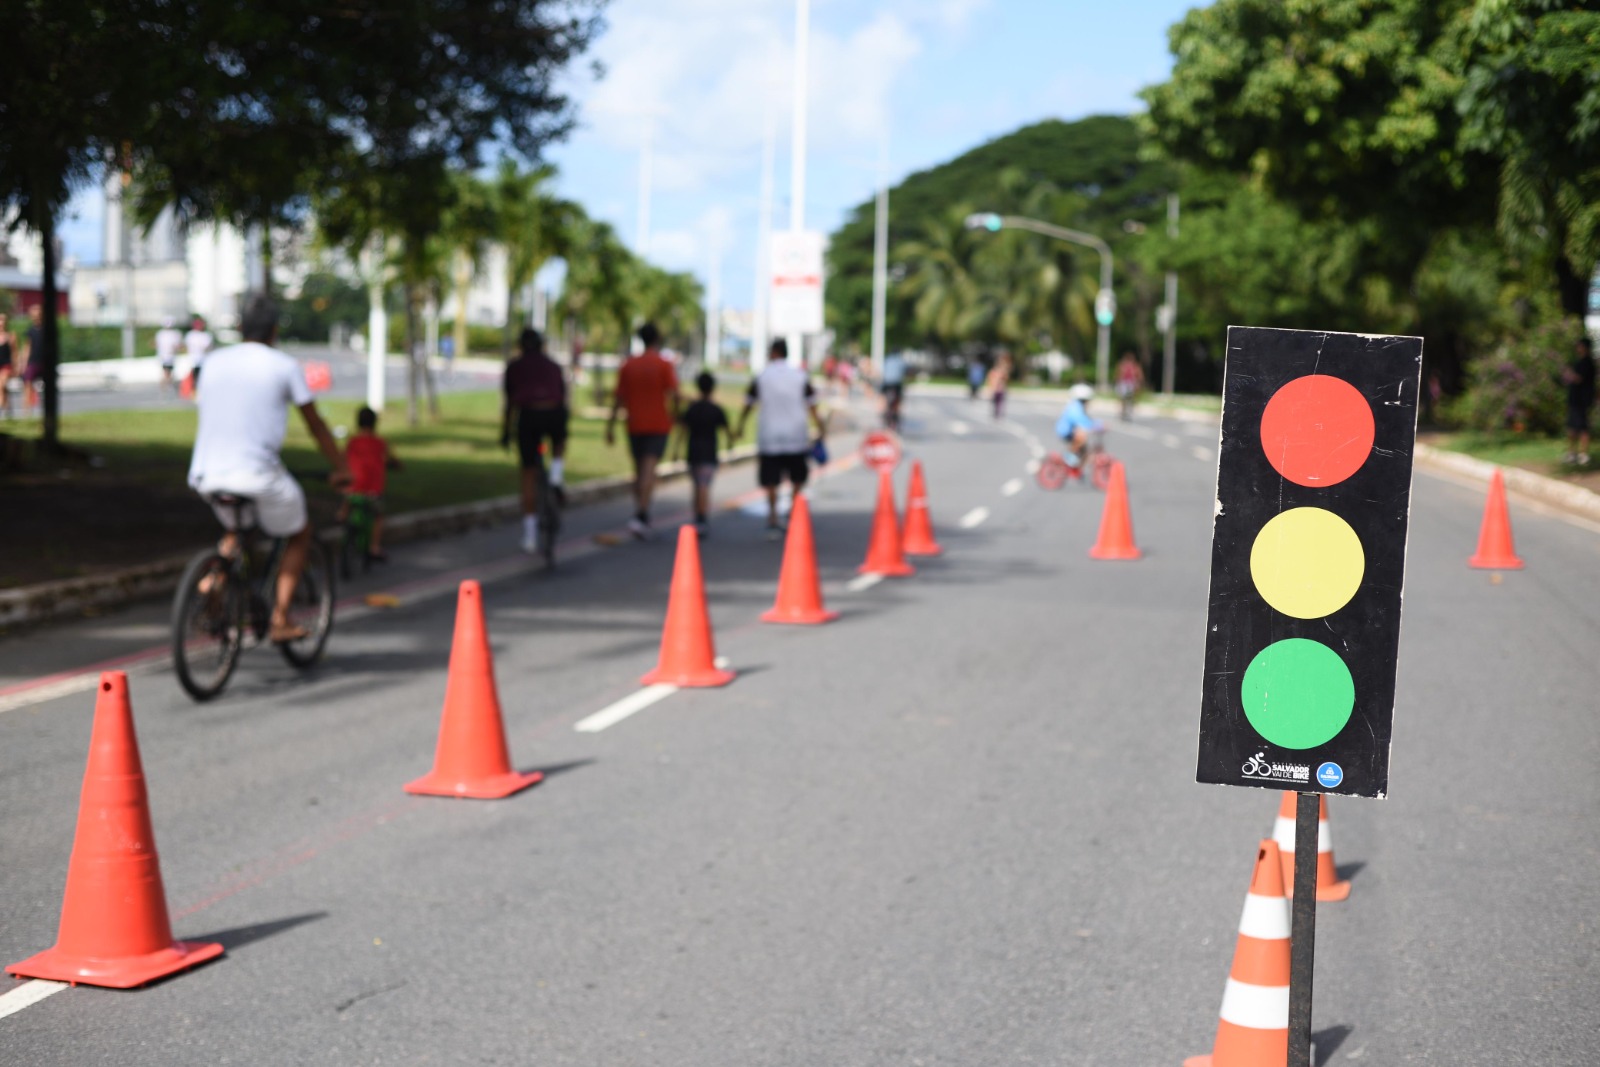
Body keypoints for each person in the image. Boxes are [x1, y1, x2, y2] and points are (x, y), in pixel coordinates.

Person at [187, 293, 349, 642]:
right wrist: (340, 467)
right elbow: (315, 424)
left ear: (241, 328)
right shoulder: (283, 366)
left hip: (207, 472)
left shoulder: (212, 362)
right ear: (274, 331)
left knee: (236, 532)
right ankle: (280, 617)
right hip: (256, 473)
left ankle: (213, 579)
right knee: (299, 533)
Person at [737, 338, 827, 538]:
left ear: (772, 352)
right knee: (797, 478)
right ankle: (793, 514)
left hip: (769, 435)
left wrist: (739, 427)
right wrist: (821, 428)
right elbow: (812, 405)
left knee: (771, 479)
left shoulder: (762, 376)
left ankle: (772, 519)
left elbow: (748, 404)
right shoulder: (800, 375)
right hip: (796, 435)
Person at [606, 322, 679, 538]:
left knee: (638, 470)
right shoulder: (664, 364)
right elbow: (673, 394)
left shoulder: (629, 364)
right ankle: (641, 513)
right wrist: (676, 415)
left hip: (634, 423)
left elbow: (619, 397)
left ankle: (641, 511)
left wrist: (609, 425)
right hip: (657, 424)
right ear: (657, 339)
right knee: (649, 470)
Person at [502, 327, 569, 553]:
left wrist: (505, 431)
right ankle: (557, 474)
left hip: (528, 417)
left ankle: (530, 536)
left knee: (528, 474)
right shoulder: (553, 365)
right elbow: (563, 397)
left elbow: (510, 403)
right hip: (554, 413)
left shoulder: (514, 366)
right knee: (559, 441)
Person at [343, 406, 402, 561]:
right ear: (375, 423)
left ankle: (343, 512)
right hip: (373, 489)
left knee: (350, 496)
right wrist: (397, 465)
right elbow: (390, 460)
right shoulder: (379, 442)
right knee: (378, 515)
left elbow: (345, 459)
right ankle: (374, 547)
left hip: (354, 486)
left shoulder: (352, 441)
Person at [677, 371, 733, 533]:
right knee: (704, 485)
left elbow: (682, 431)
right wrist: (730, 446)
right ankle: (702, 518)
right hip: (709, 452)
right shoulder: (716, 409)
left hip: (693, 451)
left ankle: (698, 515)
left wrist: (675, 450)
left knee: (696, 484)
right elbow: (727, 431)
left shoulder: (692, 408)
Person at [1562, 335, 1596, 466]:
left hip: (1581, 400)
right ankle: (1572, 453)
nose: (1577, 348)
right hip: (1575, 400)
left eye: (1580, 346)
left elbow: (1579, 379)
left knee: (1582, 428)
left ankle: (1583, 454)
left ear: (1585, 348)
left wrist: (1569, 374)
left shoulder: (1586, 363)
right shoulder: (1580, 362)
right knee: (1572, 427)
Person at [1055, 382, 1104, 470]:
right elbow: (1082, 421)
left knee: (1084, 448)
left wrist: (1098, 423)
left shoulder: (1077, 406)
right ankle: (1068, 457)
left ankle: (1076, 465)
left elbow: (1087, 419)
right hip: (1065, 431)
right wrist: (1098, 425)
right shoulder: (1075, 408)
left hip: (1069, 430)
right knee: (1082, 438)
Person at [19, 305, 44, 415]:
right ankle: (26, 412)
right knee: (27, 384)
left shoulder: (47, 329)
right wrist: (23, 363)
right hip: (32, 362)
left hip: (44, 362)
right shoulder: (31, 331)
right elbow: (27, 347)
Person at [183, 314, 213, 393]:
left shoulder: (205, 335)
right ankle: (194, 391)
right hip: (193, 360)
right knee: (194, 377)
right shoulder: (190, 335)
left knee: (200, 377)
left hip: (203, 360)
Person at [155, 318, 183, 393]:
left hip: (171, 356)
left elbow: (178, 346)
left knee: (169, 373)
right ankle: (165, 388)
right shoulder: (161, 334)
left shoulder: (175, 334)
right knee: (166, 373)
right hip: (164, 356)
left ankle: (166, 388)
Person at [880, 349, 907, 429]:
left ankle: (883, 411)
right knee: (899, 399)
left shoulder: (887, 359)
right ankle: (897, 413)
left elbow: (883, 371)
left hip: (887, 383)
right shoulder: (900, 360)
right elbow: (904, 372)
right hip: (897, 383)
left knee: (882, 397)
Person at [1115, 351, 1145, 421]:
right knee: (1123, 398)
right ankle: (1123, 411)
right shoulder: (1122, 365)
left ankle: (1129, 411)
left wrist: (1138, 383)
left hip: (1131, 383)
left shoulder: (1135, 366)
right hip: (1124, 383)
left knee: (1131, 398)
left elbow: (1139, 375)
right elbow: (1119, 374)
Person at [986, 350, 1013, 420]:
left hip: (1001, 389)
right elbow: (990, 380)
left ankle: (999, 413)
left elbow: (1007, 379)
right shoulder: (993, 372)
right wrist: (991, 388)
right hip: (995, 389)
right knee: (995, 402)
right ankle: (995, 413)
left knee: (1000, 402)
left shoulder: (1003, 372)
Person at [0, 311, 15, 419]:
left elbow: (14, 352)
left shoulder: (11, 336)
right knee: (3, 389)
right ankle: (8, 408)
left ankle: (1, 408)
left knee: (2, 386)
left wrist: (16, 366)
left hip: (7, 364)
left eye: (3, 320)